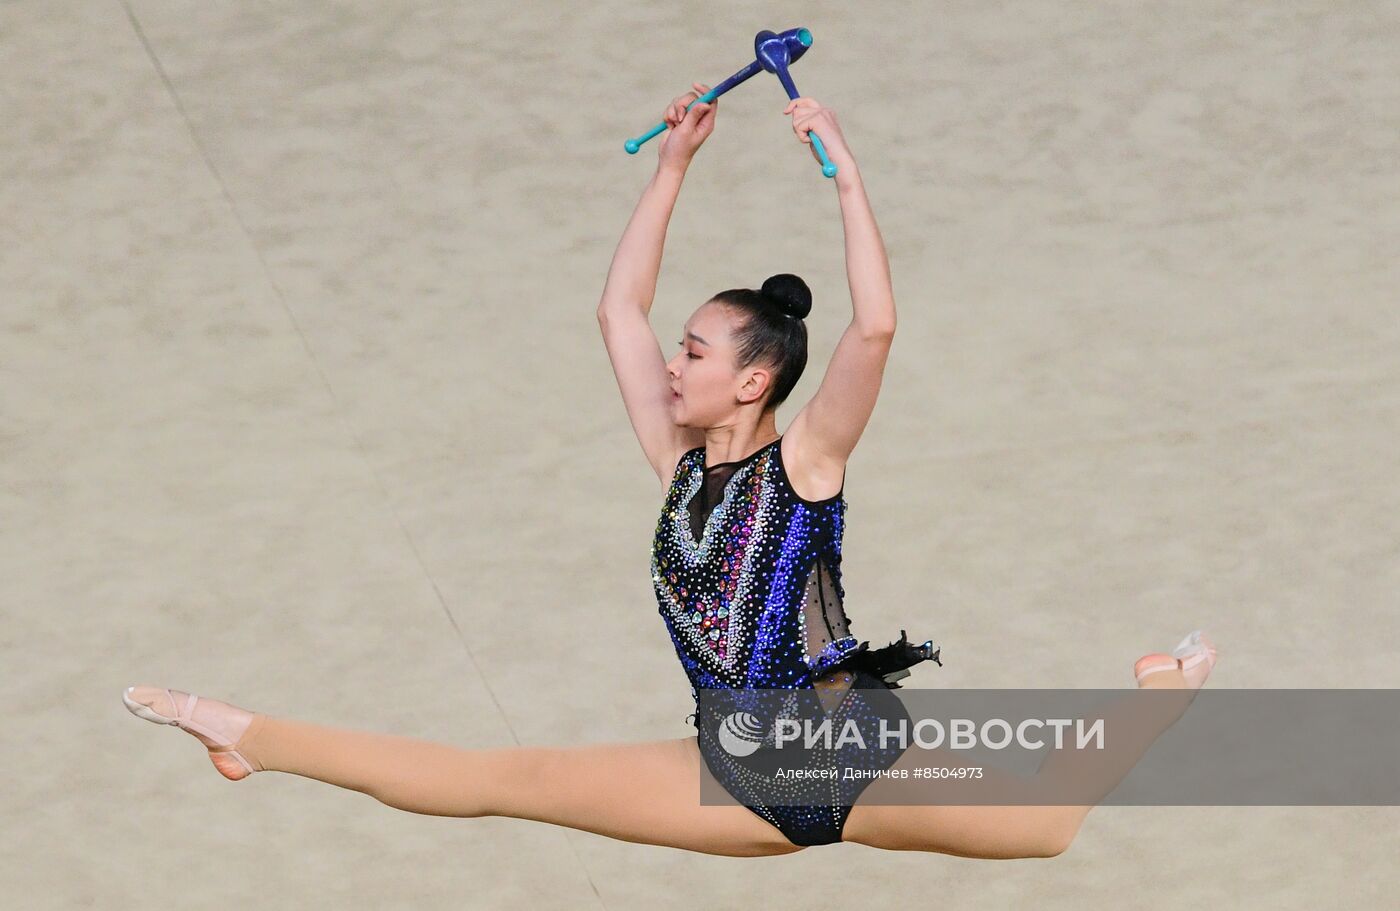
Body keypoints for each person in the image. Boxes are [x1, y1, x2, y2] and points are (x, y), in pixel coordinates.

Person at [123, 83, 1219, 859]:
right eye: (680, 346)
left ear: (753, 380)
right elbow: (615, 310)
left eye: (696, 351)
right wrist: (672, 168)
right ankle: (242, 730)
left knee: (1044, 827)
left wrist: (842, 174)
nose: (673, 361)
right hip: (732, 773)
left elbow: (872, 329)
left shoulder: (807, 461)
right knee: (487, 781)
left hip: (843, 757)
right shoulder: (676, 463)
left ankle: (1159, 699)